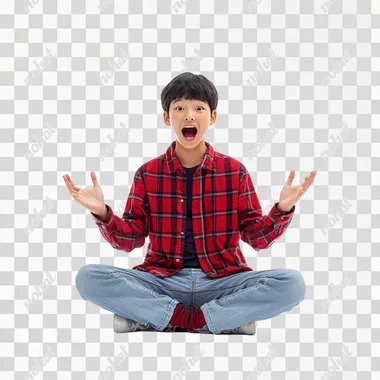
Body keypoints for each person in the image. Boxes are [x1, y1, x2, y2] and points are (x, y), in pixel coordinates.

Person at [63, 72, 317, 335]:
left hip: (223, 281)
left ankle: (159, 317)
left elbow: (256, 238)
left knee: (292, 284)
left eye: (198, 108)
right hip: (162, 282)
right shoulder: (148, 173)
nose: (189, 115)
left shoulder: (234, 171)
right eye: (180, 108)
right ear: (167, 117)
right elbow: (130, 240)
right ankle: (219, 320)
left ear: (213, 116)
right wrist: (102, 212)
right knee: (88, 277)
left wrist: (283, 209)